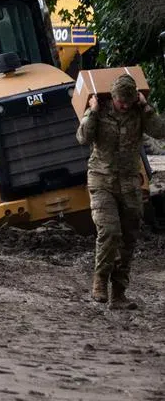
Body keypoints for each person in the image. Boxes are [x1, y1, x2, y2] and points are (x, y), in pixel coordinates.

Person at [76, 73, 165, 308]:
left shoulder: (138, 111)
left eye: (128, 102)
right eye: (120, 102)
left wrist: (146, 108)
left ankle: (118, 294)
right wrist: (92, 111)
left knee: (129, 238)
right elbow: (83, 137)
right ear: (113, 98)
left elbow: (160, 131)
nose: (124, 107)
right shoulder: (99, 110)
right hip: (101, 181)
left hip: (129, 183)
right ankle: (100, 281)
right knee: (110, 231)